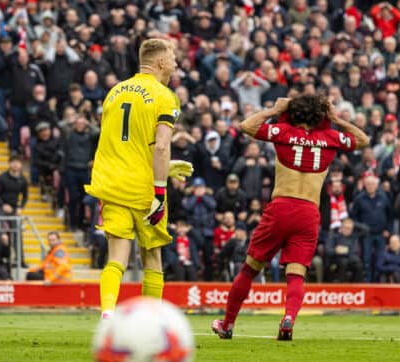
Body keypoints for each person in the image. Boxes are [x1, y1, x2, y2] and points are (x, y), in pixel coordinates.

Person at [212, 94, 369, 340]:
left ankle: (228, 324)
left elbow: (246, 126)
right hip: (308, 212)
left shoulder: (283, 131)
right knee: (296, 274)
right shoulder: (329, 137)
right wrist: (336, 119)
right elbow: (363, 139)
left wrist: (273, 110)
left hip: (281, 207)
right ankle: (288, 319)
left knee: (250, 268)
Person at [84, 39, 193, 319]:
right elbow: (160, 146)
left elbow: (123, 141)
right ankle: (149, 320)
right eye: (172, 56)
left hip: (111, 183)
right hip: (144, 189)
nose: (176, 62)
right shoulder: (164, 96)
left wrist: (164, 166)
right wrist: (159, 189)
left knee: (116, 259)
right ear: (160, 62)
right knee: (152, 256)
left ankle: (108, 311)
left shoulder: (114, 92)